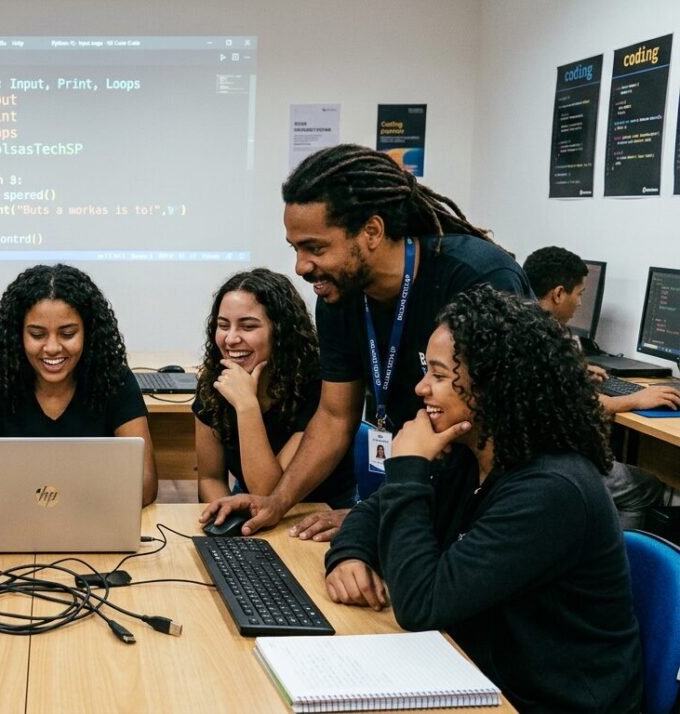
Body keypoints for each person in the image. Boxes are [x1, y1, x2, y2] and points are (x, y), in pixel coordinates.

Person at [323, 286, 641, 712]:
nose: (420, 388)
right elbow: (372, 512)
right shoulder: (467, 455)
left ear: (493, 386)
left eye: (439, 376)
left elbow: (421, 605)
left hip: (541, 702)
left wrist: (408, 468)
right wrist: (349, 555)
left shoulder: (552, 491)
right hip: (473, 671)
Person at [229, 144, 532, 540]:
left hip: (496, 496)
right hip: (419, 483)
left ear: (371, 231)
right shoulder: (339, 295)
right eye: (296, 248)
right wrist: (277, 501)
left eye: (315, 248)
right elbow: (335, 416)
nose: (301, 266)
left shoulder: (477, 277)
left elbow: (494, 427)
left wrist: (375, 516)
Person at [0, 264, 158, 506]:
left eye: (68, 333)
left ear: (89, 332)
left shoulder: (114, 379)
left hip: (91, 519)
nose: (52, 347)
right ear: (18, 334)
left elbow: (145, 485)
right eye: (37, 334)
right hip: (11, 521)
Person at [523, 245, 678, 528]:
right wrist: (636, 399)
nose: (580, 303)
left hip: (524, 457)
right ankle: (617, 555)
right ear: (558, 294)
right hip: (545, 465)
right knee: (645, 486)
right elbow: (581, 408)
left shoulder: (520, 329)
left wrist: (575, 373)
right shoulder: (545, 340)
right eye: (579, 294)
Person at [194, 270, 354, 530]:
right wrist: (225, 516)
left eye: (248, 326)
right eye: (223, 325)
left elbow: (268, 493)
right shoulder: (215, 380)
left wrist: (246, 405)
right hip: (248, 506)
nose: (231, 338)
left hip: (319, 513)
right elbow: (210, 478)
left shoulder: (315, 384)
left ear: (281, 331)